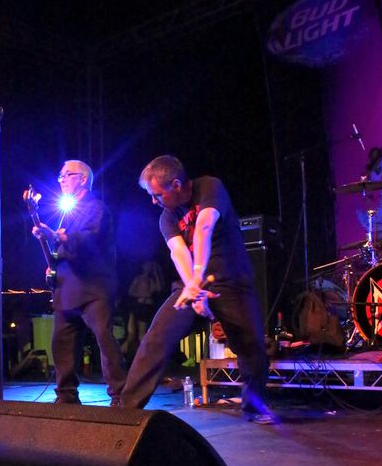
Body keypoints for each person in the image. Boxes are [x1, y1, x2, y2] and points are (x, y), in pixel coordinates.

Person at [118, 155, 277, 423]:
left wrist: (198, 278)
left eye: (157, 195)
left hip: (231, 282)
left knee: (251, 347)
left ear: (176, 185)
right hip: (191, 283)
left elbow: (204, 227)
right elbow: (178, 252)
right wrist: (193, 286)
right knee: (157, 336)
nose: (153, 201)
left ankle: (254, 407)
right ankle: (126, 412)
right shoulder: (166, 218)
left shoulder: (210, 187)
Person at [31, 159, 126, 405]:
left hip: (93, 287)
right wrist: (52, 262)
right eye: (60, 176)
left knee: (104, 338)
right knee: (61, 343)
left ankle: (120, 394)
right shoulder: (68, 211)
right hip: (67, 288)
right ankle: (66, 395)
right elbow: (63, 249)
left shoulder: (95, 208)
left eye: (67, 175)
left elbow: (86, 240)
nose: (61, 179)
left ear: (83, 179)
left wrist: (55, 235)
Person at [121, 259, 165, 359]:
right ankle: (122, 356)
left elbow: (158, 289)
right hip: (136, 306)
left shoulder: (151, 280)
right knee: (131, 334)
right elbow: (131, 292)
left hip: (145, 308)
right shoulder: (138, 278)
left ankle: (142, 358)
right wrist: (142, 296)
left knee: (141, 335)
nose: (148, 268)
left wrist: (156, 273)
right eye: (147, 266)